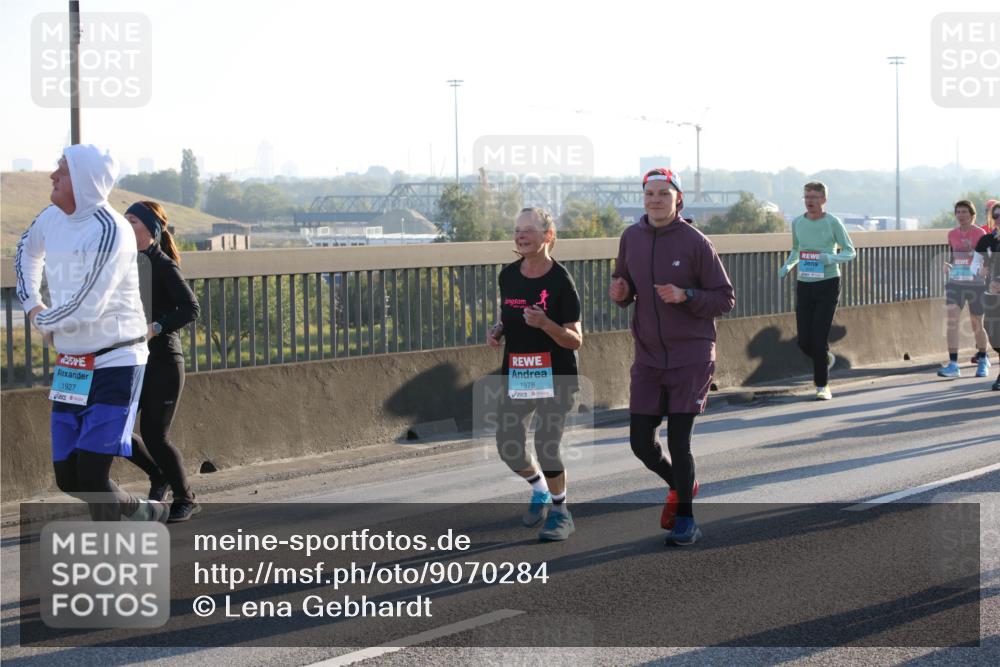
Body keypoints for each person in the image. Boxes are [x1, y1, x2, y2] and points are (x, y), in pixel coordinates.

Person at [14, 145, 167, 522]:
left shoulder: (111, 229)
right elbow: (24, 253)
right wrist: (33, 302)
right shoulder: (51, 217)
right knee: (69, 478)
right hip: (73, 365)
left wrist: (42, 321)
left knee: (93, 476)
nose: (52, 176)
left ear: (82, 181)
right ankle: (143, 511)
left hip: (117, 359)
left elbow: (88, 305)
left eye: (61, 172)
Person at [609, 168, 735, 546]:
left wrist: (688, 296)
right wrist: (619, 293)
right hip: (648, 356)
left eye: (664, 193)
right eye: (650, 194)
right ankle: (682, 484)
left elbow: (725, 298)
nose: (656, 200)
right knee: (640, 443)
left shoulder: (696, 242)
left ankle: (686, 520)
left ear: (678, 199)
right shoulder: (631, 237)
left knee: (680, 443)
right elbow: (625, 288)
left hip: (691, 355)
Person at [489, 207, 583, 541]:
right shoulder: (508, 275)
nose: (520, 236)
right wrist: (499, 330)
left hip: (557, 374)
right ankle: (540, 489)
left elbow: (575, 339)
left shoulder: (561, 280)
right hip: (520, 372)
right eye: (517, 230)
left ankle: (561, 512)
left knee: (546, 445)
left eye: (528, 229)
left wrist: (546, 324)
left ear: (548, 235)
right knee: (508, 446)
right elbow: (509, 314)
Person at [123, 200, 202, 522]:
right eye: (123, 220)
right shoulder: (125, 262)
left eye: (132, 221)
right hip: (131, 360)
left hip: (164, 362)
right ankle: (159, 475)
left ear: (150, 229)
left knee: (155, 435)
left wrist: (154, 328)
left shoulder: (162, 264)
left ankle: (186, 498)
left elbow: (191, 308)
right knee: (115, 427)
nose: (126, 226)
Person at [779, 182, 856, 400]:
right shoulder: (797, 223)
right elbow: (796, 250)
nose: (810, 201)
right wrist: (788, 265)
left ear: (823, 200)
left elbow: (850, 252)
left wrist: (831, 258)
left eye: (814, 197)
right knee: (804, 340)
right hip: (805, 283)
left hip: (828, 282)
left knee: (819, 336)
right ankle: (824, 357)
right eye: (806, 197)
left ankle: (822, 385)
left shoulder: (833, 223)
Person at [938, 200, 989, 378]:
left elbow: (986, 258)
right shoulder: (952, 234)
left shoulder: (980, 234)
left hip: (976, 284)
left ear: (972, 215)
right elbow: (953, 256)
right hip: (956, 283)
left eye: (964, 212)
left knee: (976, 323)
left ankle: (982, 359)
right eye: (958, 212)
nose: (961, 215)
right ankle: (953, 364)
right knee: (952, 320)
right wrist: (948, 264)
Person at [973, 222, 1000, 389]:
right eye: (996, 215)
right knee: (992, 330)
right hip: (992, 293)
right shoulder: (988, 240)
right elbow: (974, 264)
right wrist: (979, 271)